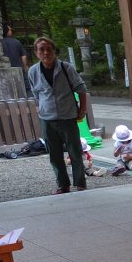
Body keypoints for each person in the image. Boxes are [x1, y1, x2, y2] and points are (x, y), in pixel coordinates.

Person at [27, 36, 87, 194]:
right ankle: (63, 184)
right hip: (47, 118)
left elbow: (81, 89)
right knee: (54, 154)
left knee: (75, 151)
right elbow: (36, 93)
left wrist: (82, 109)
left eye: (49, 49)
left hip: (68, 116)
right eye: (41, 49)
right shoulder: (33, 71)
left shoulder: (66, 68)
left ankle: (80, 182)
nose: (45, 52)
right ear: (36, 52)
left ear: (54, 51)